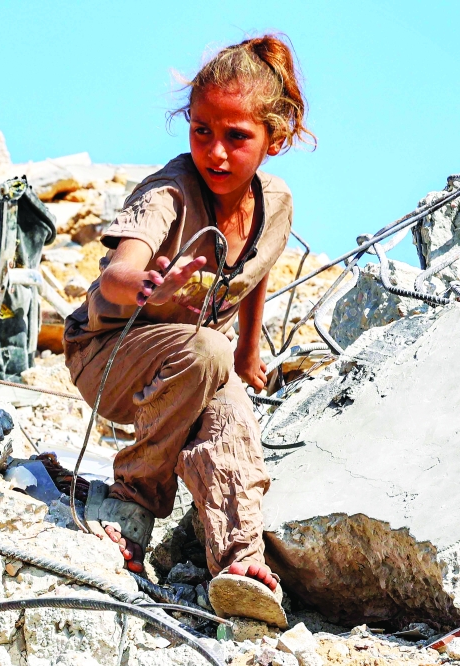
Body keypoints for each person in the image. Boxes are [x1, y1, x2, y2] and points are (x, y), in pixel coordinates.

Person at [63, 33, 314, 627]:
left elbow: (260, 268)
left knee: (230, 412)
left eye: (236, 137)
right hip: (109, 356)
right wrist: (149, 286)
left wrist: (250, 350)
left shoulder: (275, 203)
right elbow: (121, 269)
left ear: (273, 141)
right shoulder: (169, 191)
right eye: (202, 130)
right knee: (207, 351)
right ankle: (130, 510)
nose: (216, 152)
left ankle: (238, 562)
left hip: (192, 365)